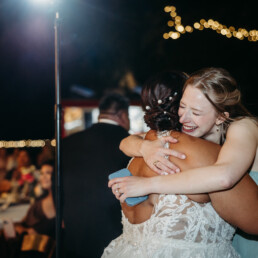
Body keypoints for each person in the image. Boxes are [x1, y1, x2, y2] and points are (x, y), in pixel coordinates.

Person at [109, 68, 258, 257]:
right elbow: (127, 142)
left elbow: (224, 176)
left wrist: (147, 184)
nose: (183, 118)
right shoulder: (198, 137)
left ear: (221, 117)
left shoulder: (243, 127)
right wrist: (144, 148)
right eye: (182, 106)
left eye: (195, 111)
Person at [62, 92, 131, 258]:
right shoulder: (127, 143)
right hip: (113, 232)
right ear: (122, 115)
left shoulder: (68, 143)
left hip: (74, 231)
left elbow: (57, 187)